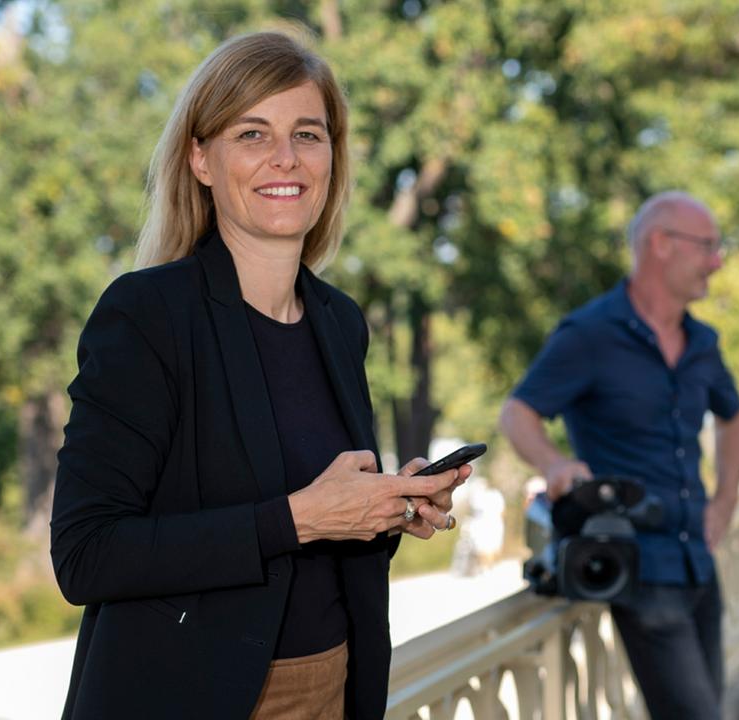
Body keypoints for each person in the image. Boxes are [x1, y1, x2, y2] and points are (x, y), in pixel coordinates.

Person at [49, 32, 468, 719]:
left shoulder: (340, 322)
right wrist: (299, 518)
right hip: (192, 698)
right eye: (252, 134)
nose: (286, 158)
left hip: (335, 685)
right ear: (200, 158)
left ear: (332, 155)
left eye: (308, 134)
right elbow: (86, 554)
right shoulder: (147, 314)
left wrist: (387, 507)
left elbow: (318, 540)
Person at [499, 191, 739, 720]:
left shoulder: (702, 342)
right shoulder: (589, 334)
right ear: (661, 244)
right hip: (642, 569)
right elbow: (518, 412)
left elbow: (735, 416)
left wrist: (727, 498)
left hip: (700, 564)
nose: (717, 261)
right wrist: (555, 464)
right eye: (707, 246)